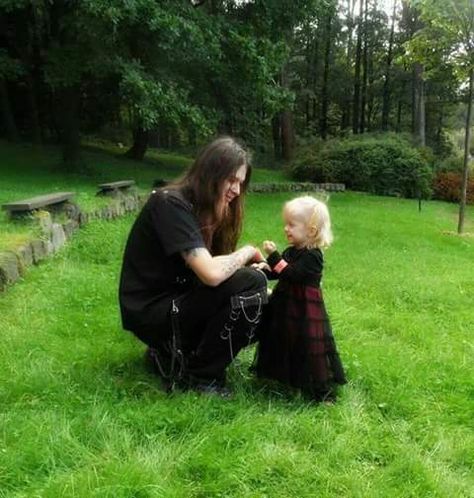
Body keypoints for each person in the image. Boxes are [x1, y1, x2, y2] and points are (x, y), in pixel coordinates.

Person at [119, 136, 267, 396]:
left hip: (176, 302)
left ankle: (169, 355)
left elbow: (211, 266)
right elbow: (210, 274)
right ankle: (201, 377)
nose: (235, 190)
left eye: (241, 184)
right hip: (153, 311)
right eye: (231, 180)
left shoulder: (203, 208)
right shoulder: (170, 203)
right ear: (211, 173)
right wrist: (247, 252)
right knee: (251, 285)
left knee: (260, 296)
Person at [253, 195, 346, 402]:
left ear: (311, 230)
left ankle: (319, 390)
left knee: (307, 344)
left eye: (292, 225)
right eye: (286, 224)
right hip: (284, 305)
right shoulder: (291, 251)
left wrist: (273, 256)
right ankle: (281, 376)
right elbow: (279, 272)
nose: (286, 229)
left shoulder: (313, 256)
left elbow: (292, 274)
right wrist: (264, 269)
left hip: (304, 309)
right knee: (281, 338)